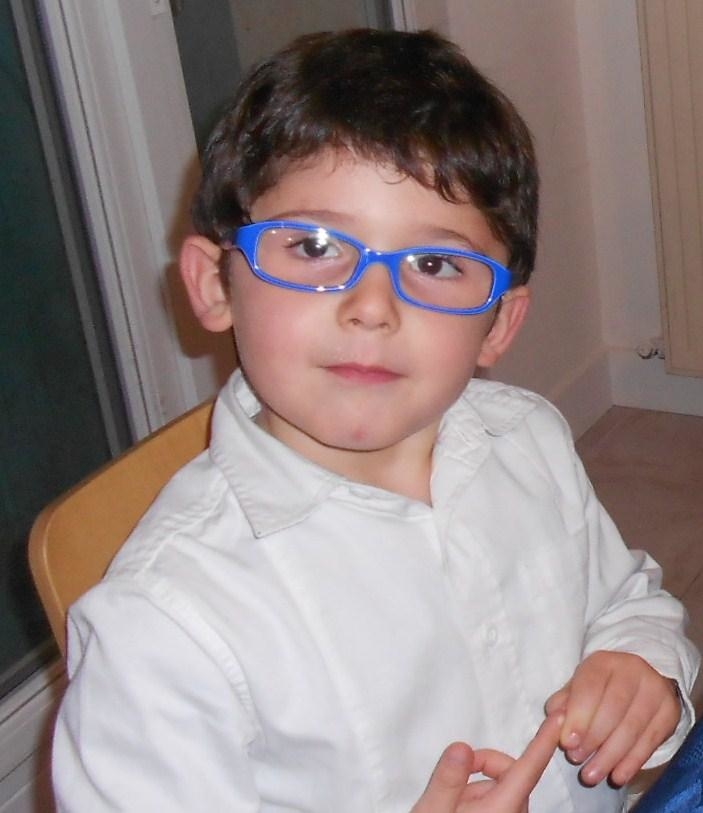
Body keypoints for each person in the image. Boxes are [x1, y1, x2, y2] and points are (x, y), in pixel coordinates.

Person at [52, 28, 700, 812]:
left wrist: (642, 663)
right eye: (313, 245)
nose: (371, 306)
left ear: (497, 324)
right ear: (216, 283)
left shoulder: (525, 437)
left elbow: (625, 598)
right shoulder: (161, 629)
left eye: (434, 263)